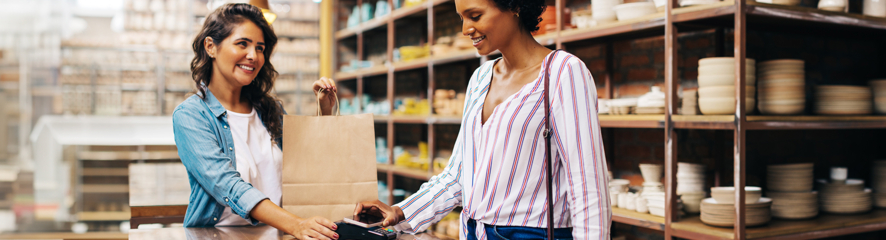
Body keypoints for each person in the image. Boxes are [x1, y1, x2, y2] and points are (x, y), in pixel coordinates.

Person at [353, 0, 610, 239]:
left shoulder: (563, 72)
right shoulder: (480, 78)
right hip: (474, 232)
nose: (465, 29)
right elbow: (458, 176)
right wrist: (401, 211)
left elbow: (588, 189)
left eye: (475, 16)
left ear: (515, 6)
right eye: (461, 18)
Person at [172, 3, 342, 240]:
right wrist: (296, 224)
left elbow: (304, 165)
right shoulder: (191, 115)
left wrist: (324, 109)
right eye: (242, 44)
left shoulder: (268, 108)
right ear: (210, 46)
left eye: (260, 48)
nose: (253, 56)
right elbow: (228, 185)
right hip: (220, 236)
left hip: (280, 235)